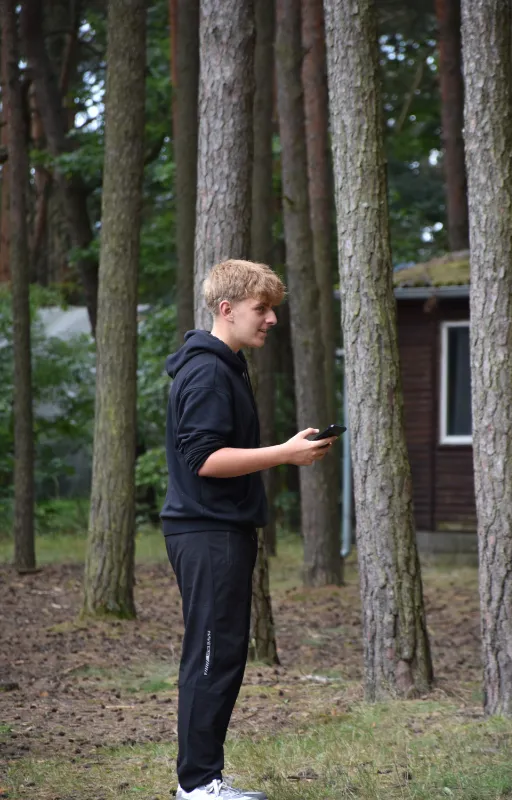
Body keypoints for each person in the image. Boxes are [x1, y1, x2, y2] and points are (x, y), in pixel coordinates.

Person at [161, 260, 337, 800]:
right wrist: (283, 453)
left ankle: (203, 778)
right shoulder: (209, 373)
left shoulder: (226, 367)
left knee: (223, 653)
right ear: (227, 309)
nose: (272, 319)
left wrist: (284, 451)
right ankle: (197, 785)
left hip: (219, 531)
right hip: (206, 532)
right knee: (211, 655)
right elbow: (205, 460)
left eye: (272, 309)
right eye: (262, 309)